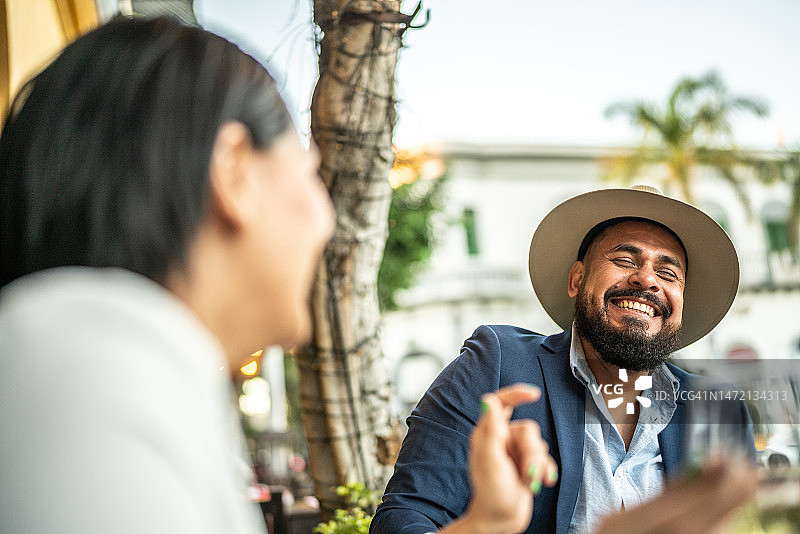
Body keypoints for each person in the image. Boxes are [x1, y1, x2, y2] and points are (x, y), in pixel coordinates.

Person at [371, 186, 756, 534]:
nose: (647, 280)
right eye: (624, 260)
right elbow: (405, 517)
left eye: (668, 272)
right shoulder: (497, 365)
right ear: (577, 280)